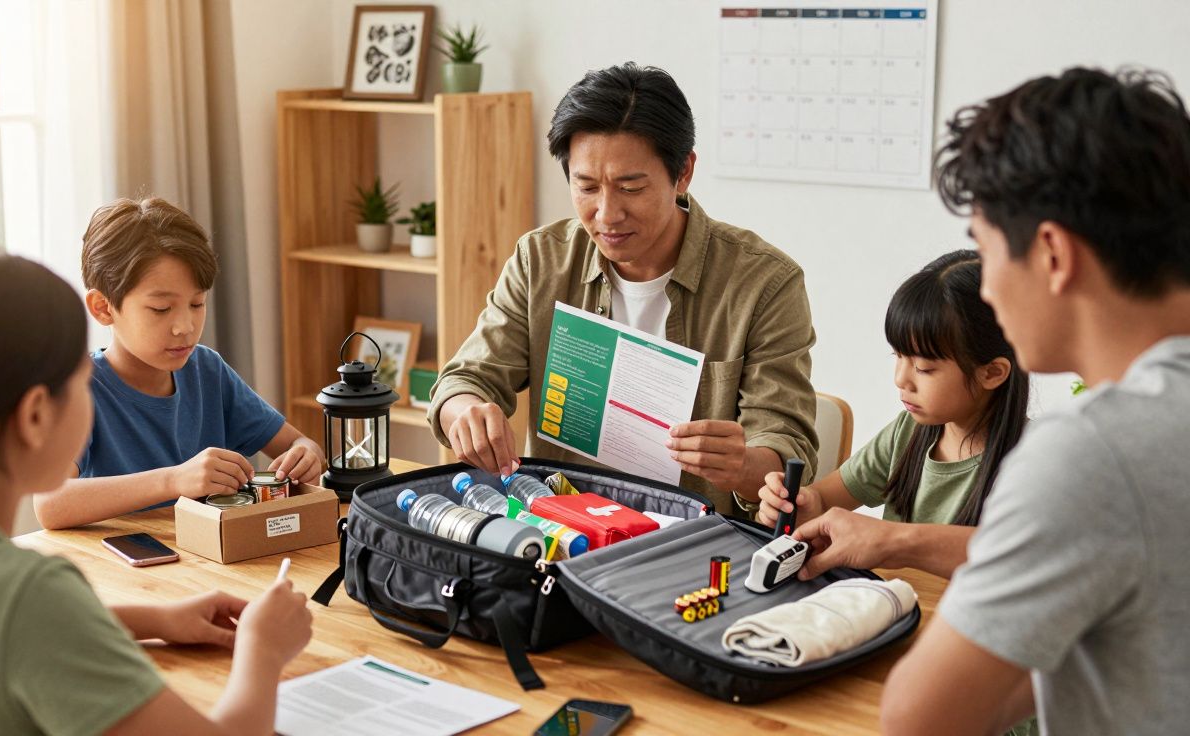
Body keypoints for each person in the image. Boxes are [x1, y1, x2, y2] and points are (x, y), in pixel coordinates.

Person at [0, 246, 313, 735]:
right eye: (83, 381)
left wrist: (148, 619)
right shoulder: (31, 594)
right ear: (36, 415)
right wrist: (264, 650)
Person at [879, 67, 1190, 734]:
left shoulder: (1093, 451)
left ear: (1051, 253)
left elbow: (917, 719)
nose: (986, 290)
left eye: (986, 254)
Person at [429, 63, 818, 514]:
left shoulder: (764, 283)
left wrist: (743, 466)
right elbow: (465, 379)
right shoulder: (542, 261)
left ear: (684, 172)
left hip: (693, 546)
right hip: (564, 536)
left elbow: (785, 446)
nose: (607, 213)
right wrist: (466, 412)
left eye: (630, 187)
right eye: (587, 187)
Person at [33, 198, 325, 529]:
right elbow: (48, 503)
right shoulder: (80, 389)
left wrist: (307, 454)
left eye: (197, 303)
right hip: (124, 573)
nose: (185, 326)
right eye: (161, 309)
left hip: (209, 565)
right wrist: (173, 481)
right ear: (103, 307)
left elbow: (298, 443)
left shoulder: (207, 371)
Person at [756, 250, 1028, 584]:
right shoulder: (907, 431)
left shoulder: (1032, 461)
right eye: (898, 356)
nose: (901, 379)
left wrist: (887, 538)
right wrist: (804, 503)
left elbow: (1021, 559)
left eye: (924, 368)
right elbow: (825, 498)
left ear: (992, 373)